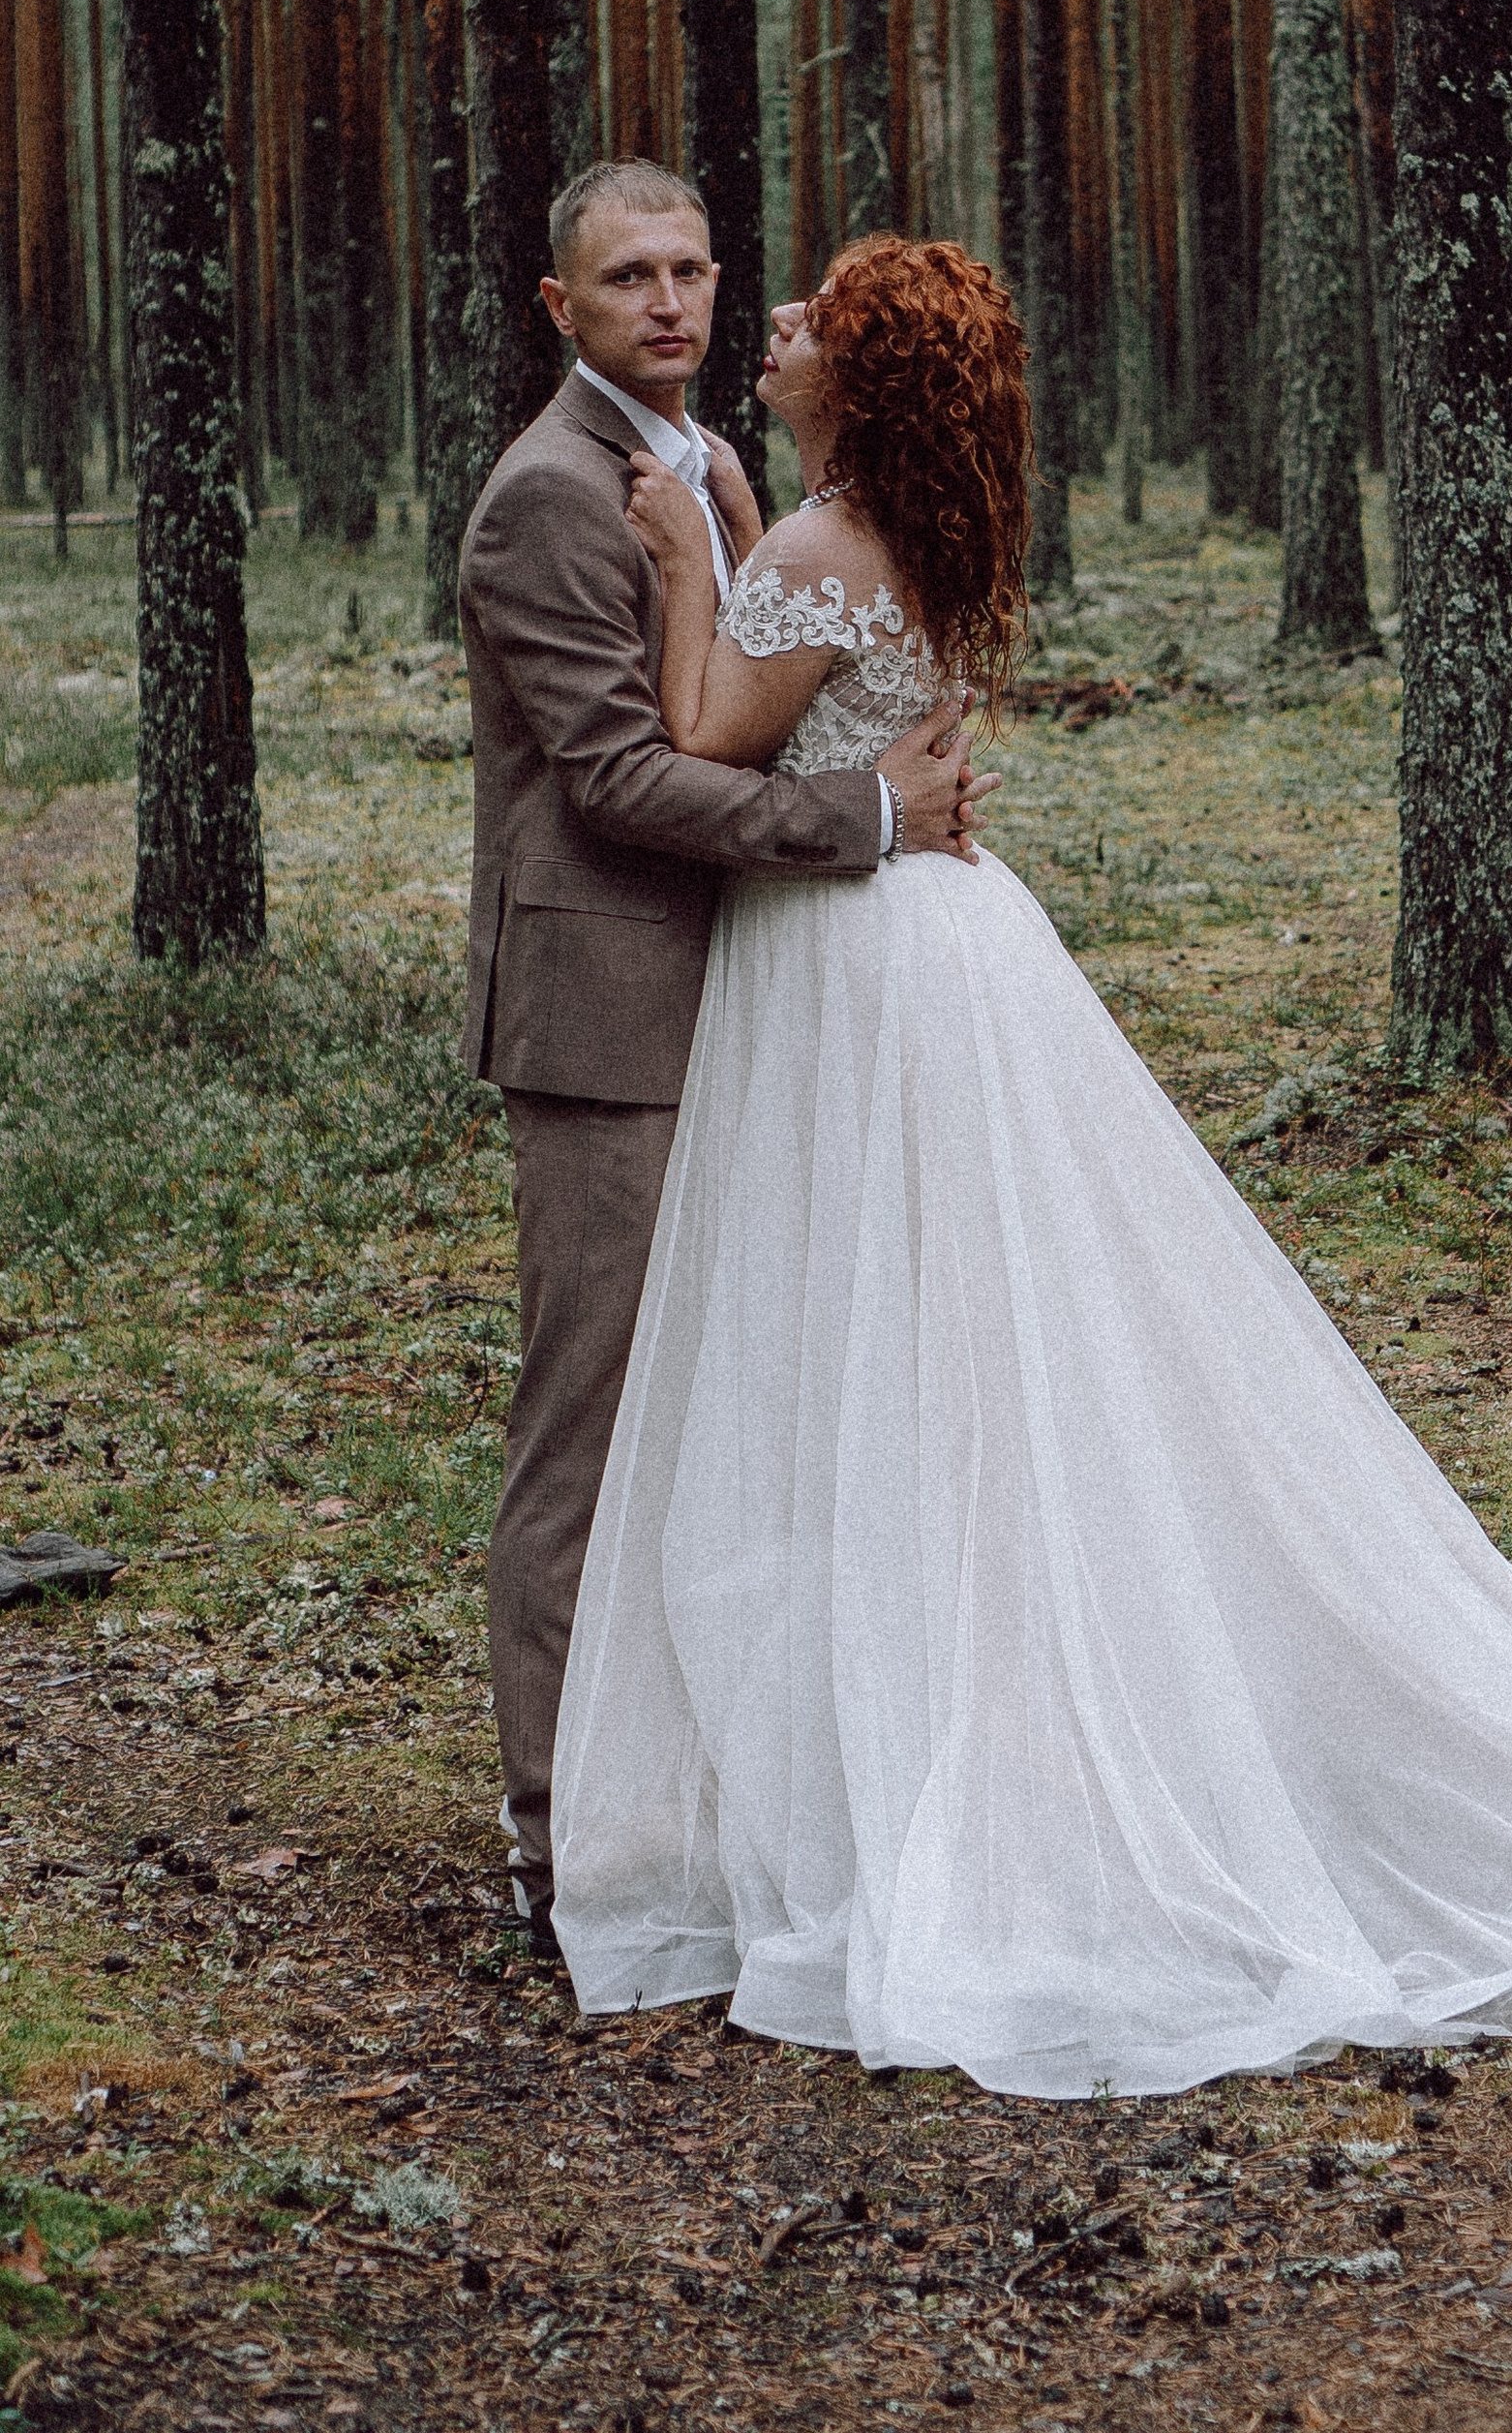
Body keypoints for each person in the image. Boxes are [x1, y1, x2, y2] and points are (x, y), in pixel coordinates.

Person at [550, 235, 1512, 2098]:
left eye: (802, 321)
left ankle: (940, 1746)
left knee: (885, 1345)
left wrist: (691, 550)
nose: (763, 328)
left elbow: (707, 734)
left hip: (855, 967)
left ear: (856, 378)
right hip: (941, 947)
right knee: (968, 1348)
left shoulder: (802, 548)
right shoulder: (894, 527)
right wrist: (726, 523)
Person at [458, 163, 993, 1959]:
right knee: (595, 1437)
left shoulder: (715, 474)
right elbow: (617, 776)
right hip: (615, 1031)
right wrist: (862, 811)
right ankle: (563, 1852)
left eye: (693, 270)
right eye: (629, 278)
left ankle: (722, 1806)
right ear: (562, 306)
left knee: (756, 1428)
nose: (673, 304)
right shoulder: (547, 498)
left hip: (776, 1013)